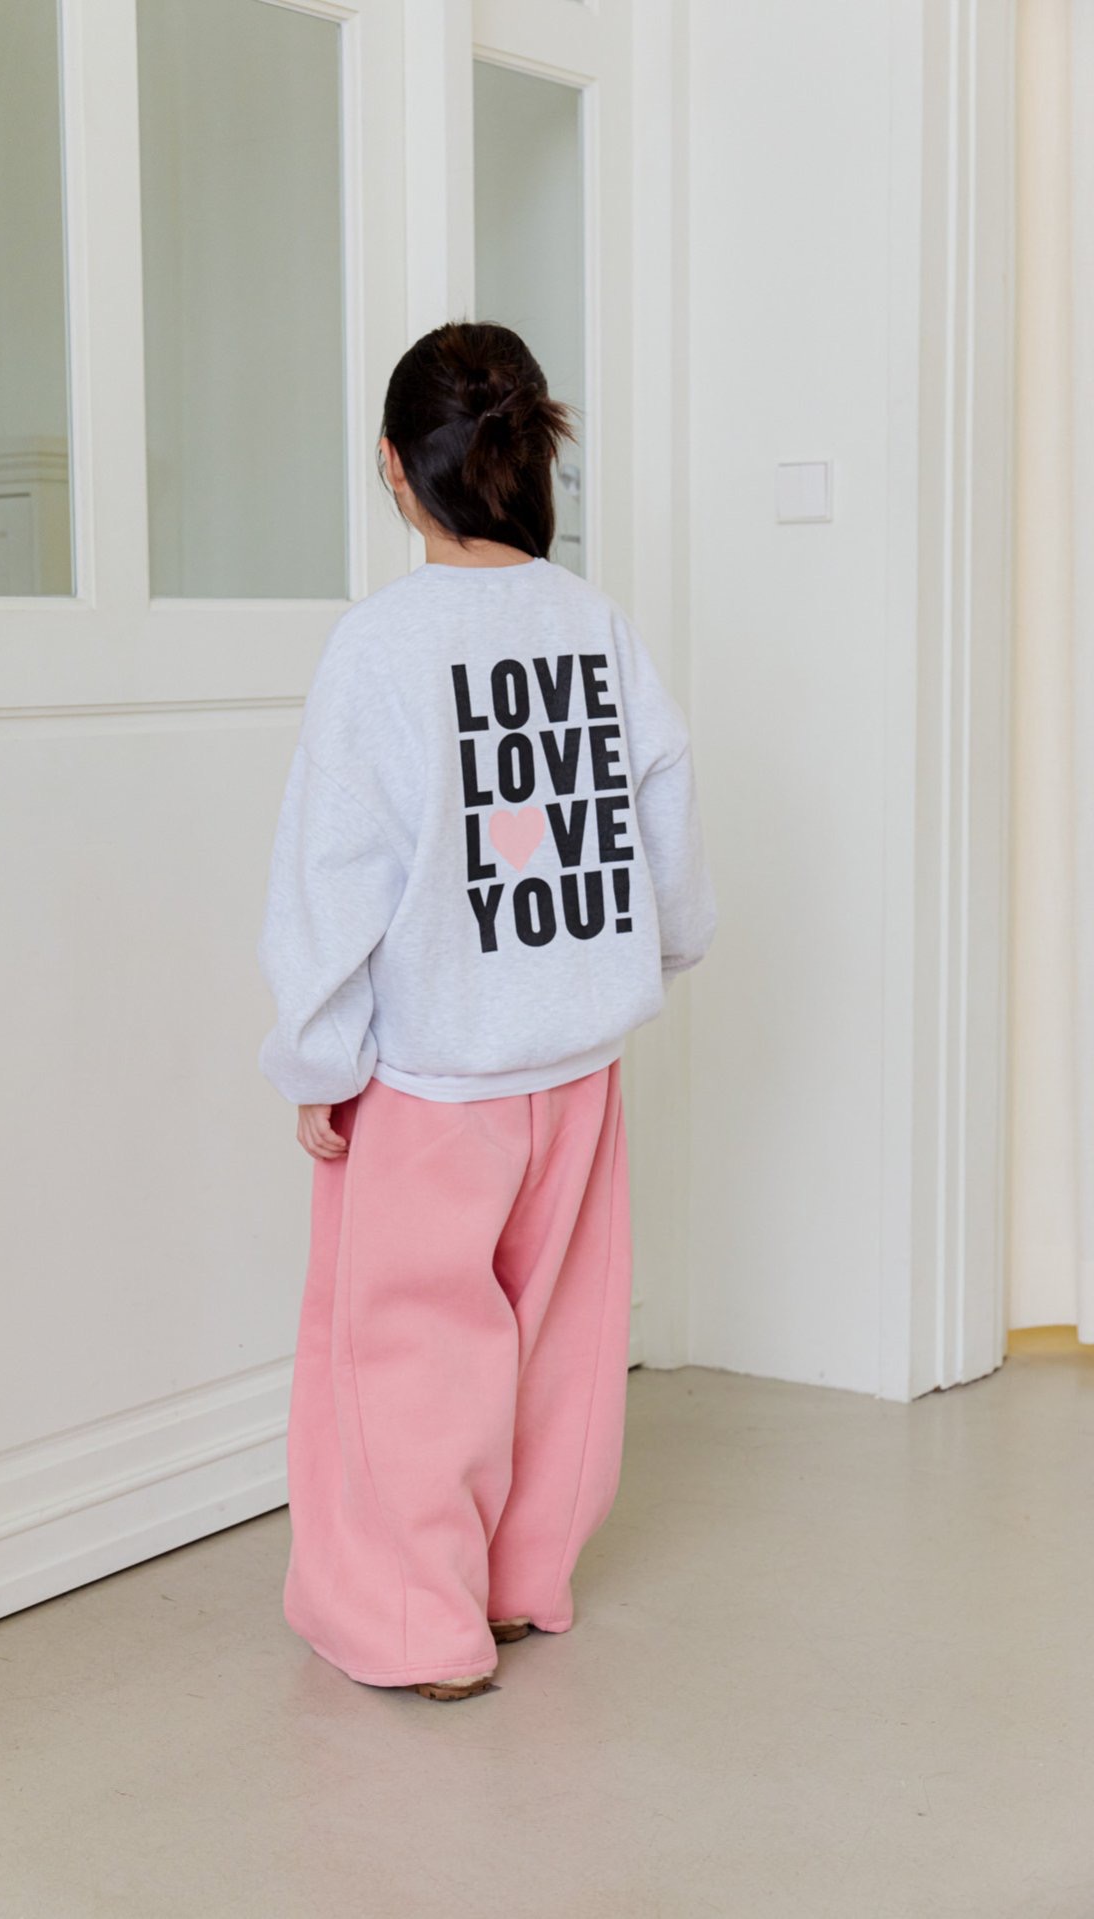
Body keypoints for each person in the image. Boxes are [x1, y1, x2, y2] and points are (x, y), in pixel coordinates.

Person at [257, 320, 717, 1702]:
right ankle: (523, 1583)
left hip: (434, 1078)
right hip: (576, 1065)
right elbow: (660, 811)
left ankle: (421, 1624)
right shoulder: (594, 626)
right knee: (562, 1331)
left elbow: (335, 870)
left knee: (410, 1348)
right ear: (529, 464)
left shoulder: (381, 647)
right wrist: (651, 954)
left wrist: (319, 1058)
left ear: (396, 468)